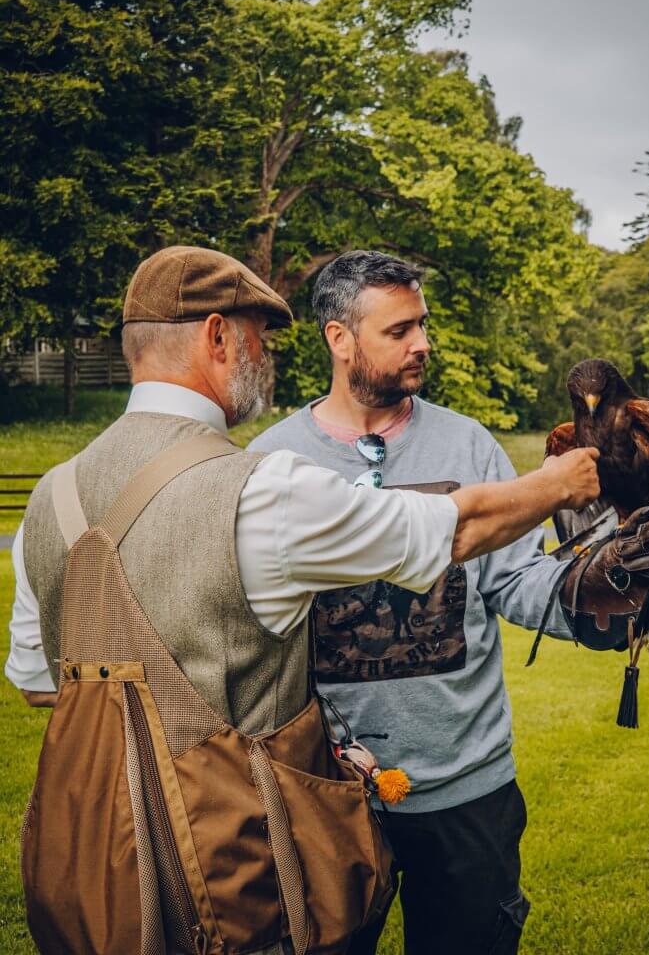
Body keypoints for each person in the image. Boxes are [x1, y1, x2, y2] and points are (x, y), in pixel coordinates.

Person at [7, 245, 604, 952]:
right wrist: (562, 483)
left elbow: (43, 686)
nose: (268, 353)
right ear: (218, 335)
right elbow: (456, 526)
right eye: (260, 334)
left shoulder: (54, 494)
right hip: (253, 830)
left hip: (113, 846)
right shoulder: (263, 481)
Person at [249, 250, 649, 955]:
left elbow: (512, 579)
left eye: (423, 325)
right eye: (398, 331)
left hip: (465, 786)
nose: (422, 344)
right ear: (338, 338)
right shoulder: (272, 463)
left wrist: (599, 594)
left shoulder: (465, 442)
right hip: (321, 789)